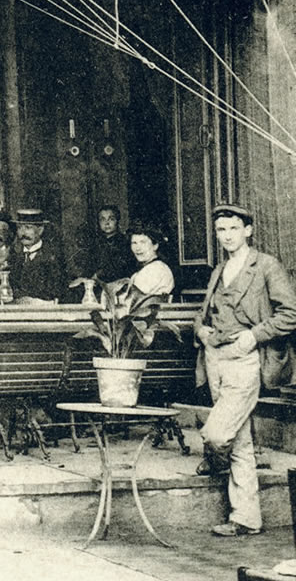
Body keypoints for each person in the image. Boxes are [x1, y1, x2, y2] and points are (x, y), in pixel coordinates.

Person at [193, 203, 296, 537]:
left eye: (234, 228)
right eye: (221, 230)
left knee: (216, 434)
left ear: (248, 230)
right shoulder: (218, 270)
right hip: (215, 360)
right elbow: (203, 313)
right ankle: (247, 517)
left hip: (245, 360)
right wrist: (201, 331)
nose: (227, 236)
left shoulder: (266, 265)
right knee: (239, 442)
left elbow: (291, 313)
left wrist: (253, 335)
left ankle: (212, 459)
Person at [9, 208, 65, 303]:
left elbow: (59, 292)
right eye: (19, 227)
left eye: (28, 227)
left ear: (40, 230)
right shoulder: (12, 256)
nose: (23, 233)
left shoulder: (53, 256)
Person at [72, 205, 135, 286]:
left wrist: (97, 276)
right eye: (102, 219)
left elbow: (119, 267)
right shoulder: (96, 243)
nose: (107, 223)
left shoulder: (124, 242)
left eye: (111, 219)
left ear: (117, 220)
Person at [124, 222, 175, 303]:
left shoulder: (156, 269)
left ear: (155, 245)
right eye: (134, 243)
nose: (137, 248)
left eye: (143, 242)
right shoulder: (149, 268)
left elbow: (129, 301)